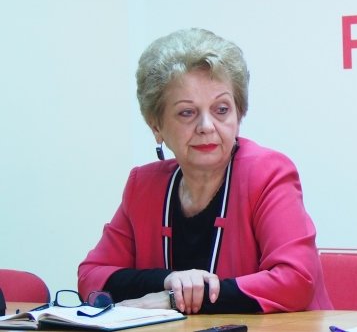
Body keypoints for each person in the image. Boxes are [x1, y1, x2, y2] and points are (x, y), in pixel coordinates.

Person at [78, 28, 331, 314]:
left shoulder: (268, 174)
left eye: (221, 109)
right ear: (156, 126)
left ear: (239, 114)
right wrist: (169, 282)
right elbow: (91, 276)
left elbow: (295, 280)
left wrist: (177, 300)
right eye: (187, 112)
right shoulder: (143, 186)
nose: (207, 126)